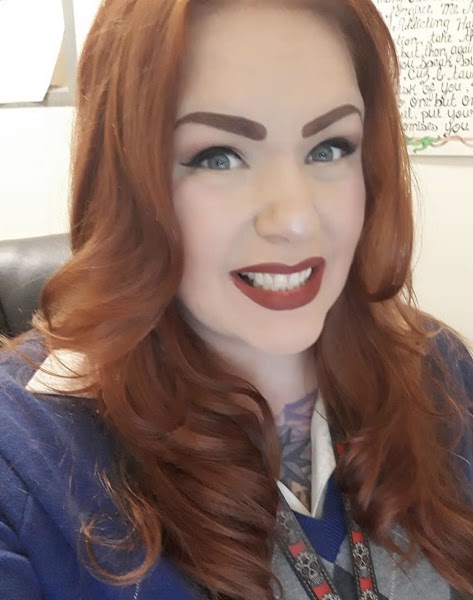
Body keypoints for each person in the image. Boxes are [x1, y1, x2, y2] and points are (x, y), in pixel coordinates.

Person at [0, 0, 472, 598]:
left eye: (330, 147)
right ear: (125, 182)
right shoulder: (25, 461)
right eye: (218, 156)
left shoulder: (434, 368)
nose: (296, 220)